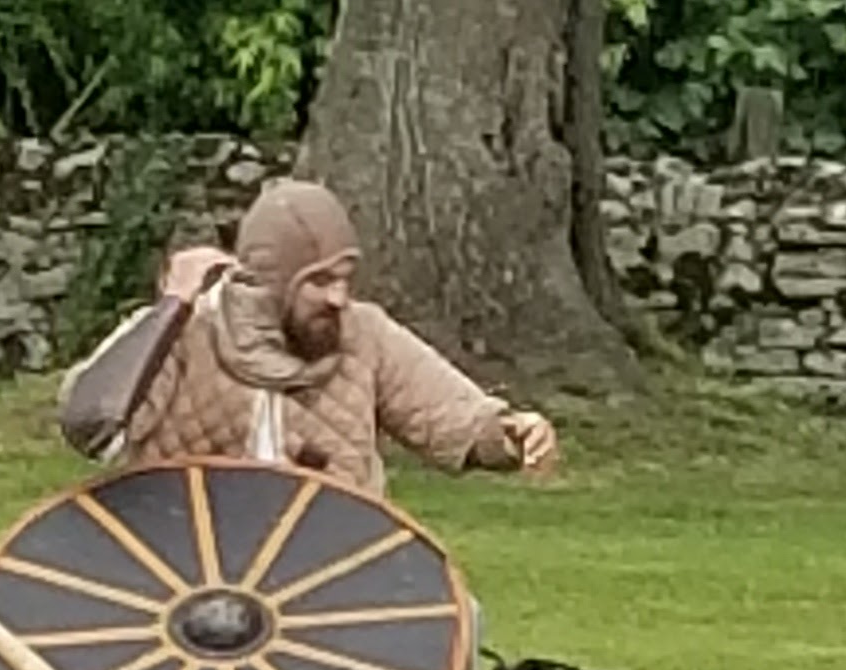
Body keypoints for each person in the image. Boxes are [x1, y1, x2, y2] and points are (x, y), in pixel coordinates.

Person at [57, 180, 562, 499]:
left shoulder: (365, 333)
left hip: (328, 578)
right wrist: (172, 305)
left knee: (461, 617)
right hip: (189, 575)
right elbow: (90, 427)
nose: (338, 297)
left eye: (345, 278)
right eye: (319, 282)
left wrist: (511, 433)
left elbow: (453, 419)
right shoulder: (182, 334)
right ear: (271, 281)